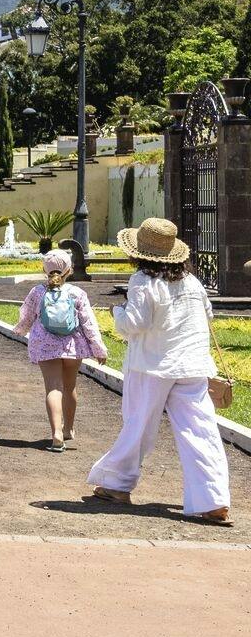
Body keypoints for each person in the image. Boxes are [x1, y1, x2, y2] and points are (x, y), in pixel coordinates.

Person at [86, 218, 232, 525]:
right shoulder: (192, 282)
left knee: (139, 426)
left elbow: (133, 325)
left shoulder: (143, 281)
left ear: (138, 253)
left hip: (152, 366)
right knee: (200, 431)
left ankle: (117, 485)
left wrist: (117, 312)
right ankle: (213, 500)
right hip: (193, 365)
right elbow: (207, 315)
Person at [12, 249, 107, 450]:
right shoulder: (77, 293)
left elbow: (26, 317)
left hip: (45, 345)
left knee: (53, 387)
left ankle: (55, 434)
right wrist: (99, 349)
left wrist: (20, 330)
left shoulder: (38, 292)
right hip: (73, 345)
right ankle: (68, 429)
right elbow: (89, 323)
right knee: (70, 386)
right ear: (69, 270)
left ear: (44, 269)